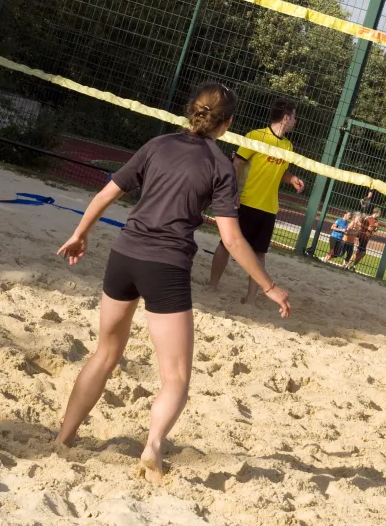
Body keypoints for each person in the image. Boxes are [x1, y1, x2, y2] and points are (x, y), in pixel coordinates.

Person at [54, 83, 291, 485]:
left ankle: (64, 438)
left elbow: (107, 192)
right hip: (166, 267)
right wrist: (269, 286)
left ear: (190, 111)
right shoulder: (220, 166)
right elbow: (232, 239)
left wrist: (80, 232)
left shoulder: (157, 144)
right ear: (229, 123)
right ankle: (152, 448)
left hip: (124, 256)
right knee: (176, 378)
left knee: (105, 355)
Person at [209, 99, 304, 304]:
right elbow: (237, 163)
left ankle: (250, 299)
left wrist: (291, 178)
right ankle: (212, 287)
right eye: (294, 116)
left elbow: (280, 171)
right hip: (247, 201)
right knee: (226, 245)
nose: (296, 121)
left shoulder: (288, 146)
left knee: (259, 254)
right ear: (286, 117)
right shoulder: (256, 136)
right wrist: (234, 191)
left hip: (269, 207)